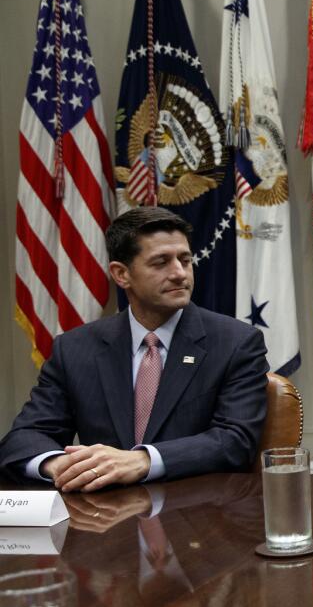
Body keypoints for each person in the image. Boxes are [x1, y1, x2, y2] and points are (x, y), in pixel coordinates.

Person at [0, 207, 268, 490]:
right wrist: (60, 466)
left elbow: (235, 441)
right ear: (121, 274)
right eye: (160, 262)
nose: (179, 273)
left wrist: (143, 461)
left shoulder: (235, 342)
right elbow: (24, 436)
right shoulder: (75, 348)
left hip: (195, 516)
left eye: (185, 260)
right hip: (102, 519)